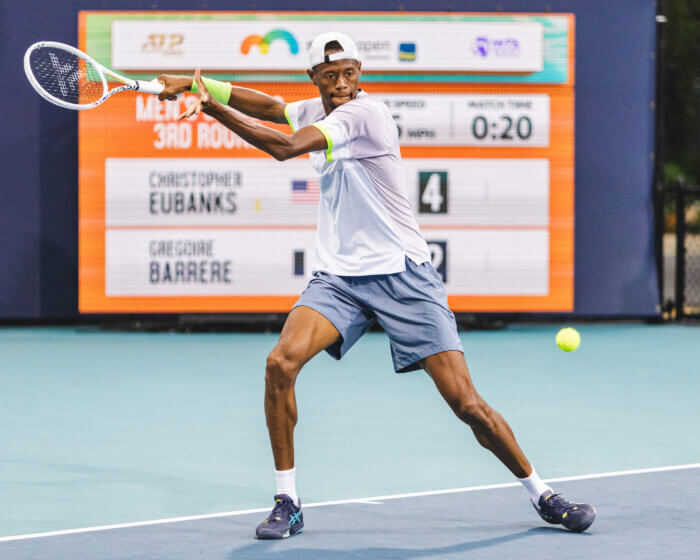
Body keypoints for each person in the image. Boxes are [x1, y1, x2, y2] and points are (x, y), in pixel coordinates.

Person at [157, 31, 596, 540]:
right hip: (340, 279)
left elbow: (283, 146)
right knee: (280, 363)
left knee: (465, 404)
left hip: (402, 275)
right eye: (330, 76)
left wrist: (210, 107)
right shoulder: (315, 108)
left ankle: (543, 494)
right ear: (315, 79)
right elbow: (276, 108)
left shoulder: (364, 116)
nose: (342, 83)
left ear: (359, 72)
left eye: (349, 73)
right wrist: (197, 82)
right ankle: (288, 501)